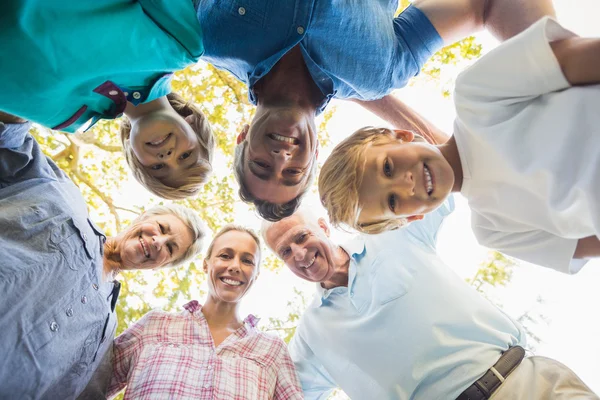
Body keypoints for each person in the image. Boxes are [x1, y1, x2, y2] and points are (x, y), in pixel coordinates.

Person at [195, 0, 557, 220]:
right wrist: (558, 71)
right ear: (316, 154)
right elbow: (483, 6)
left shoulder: (208, 37)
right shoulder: (379, 72)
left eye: (262, 165)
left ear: (241, 136)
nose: (282, 157)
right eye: (292, 172)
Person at [319, 17, 600, 274]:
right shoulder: (494, 231)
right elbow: (587, 245)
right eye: (392, 201)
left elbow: (576, 59)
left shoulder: (475, 94)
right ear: (413, 217)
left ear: (400, 135)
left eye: (387, 168)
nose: (406, 184)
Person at [262, 206, 599, 399]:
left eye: (301, 237)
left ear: (322, 226)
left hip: (526, 384)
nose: (300, 254)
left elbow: (441, 176)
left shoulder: (389, 234)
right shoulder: (310, 336)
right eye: (285, 252)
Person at [0, 118, 207, 399]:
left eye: (170, 249)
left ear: (162, 266)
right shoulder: (65, 198)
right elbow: (10, 140)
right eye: (161, 228)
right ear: (143, 218)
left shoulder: (105, 340)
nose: (158, 242)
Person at [0, 0, 215, 199]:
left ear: (135, 155)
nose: (167, 156)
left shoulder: (66, 119)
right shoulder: (180, 46)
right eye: (185, 156)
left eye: (157, 168)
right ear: (192, 123)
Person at [107, 225, 303, 400]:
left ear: (256, 275)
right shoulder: (154, 325)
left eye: (247, 261)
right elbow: (88, 385)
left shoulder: (272, 350)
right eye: (225, 256)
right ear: (205, 264)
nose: (235, 266)